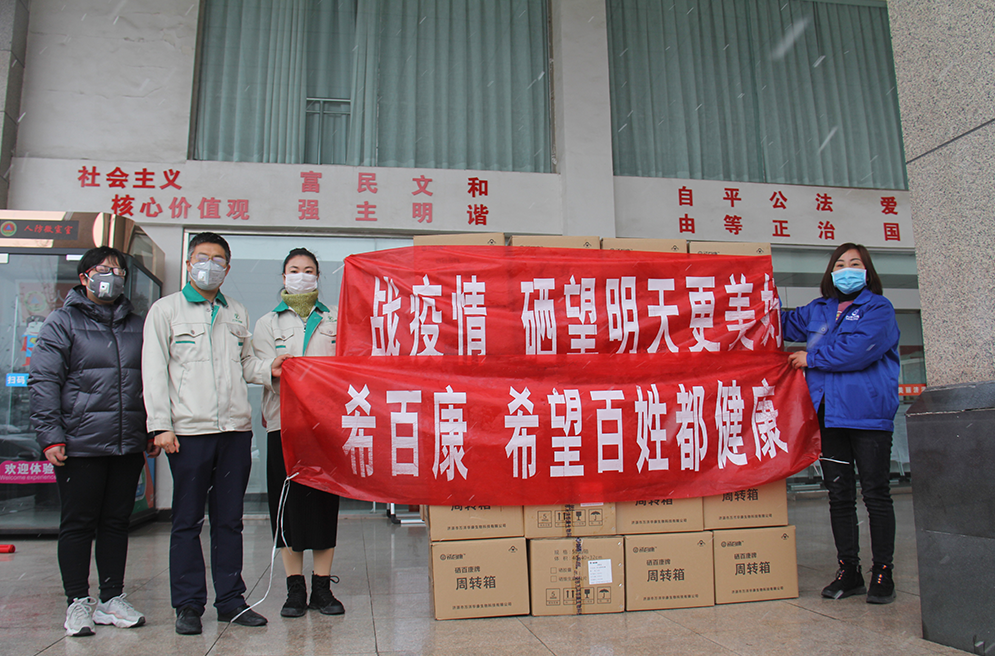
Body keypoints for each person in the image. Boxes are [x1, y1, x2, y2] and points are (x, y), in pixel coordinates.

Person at [143, 232, 288, 635]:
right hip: (188, 432)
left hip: (235, 432)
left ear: (227, 267)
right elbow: (153, 371)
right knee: (187, 520)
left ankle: (230, 601)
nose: (210, 265)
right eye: (202, 258)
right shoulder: (166, 310)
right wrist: (160, 426)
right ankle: (188, 605)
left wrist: (270, 369)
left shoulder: (235, 311)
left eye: (218, 259)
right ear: (189, 264)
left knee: (230, 520)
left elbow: (246, 364)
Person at [29, 246, 155, 636]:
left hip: (127, 442)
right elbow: (44, 380)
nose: (111, 277)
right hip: (80, 442)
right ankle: (77, 602)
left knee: (116, 522)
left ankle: (111, 599)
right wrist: (50, 435)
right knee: (79, 523)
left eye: (118, 271)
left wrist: (152, 428)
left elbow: (153, 380)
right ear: (84, 277)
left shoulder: (138, 324)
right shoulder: (62, 322)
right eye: (103, 270)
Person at [781, 242, 900, 605]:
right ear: (831, 272)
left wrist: (811, 357)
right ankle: (849, 571)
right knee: (839, 495)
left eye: (854, 263)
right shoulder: (819, 309)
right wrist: (751, 290)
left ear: (867, 271)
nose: (846, 270)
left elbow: (857, 351)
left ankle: (883, 572)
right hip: (829, 415)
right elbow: (778, 322)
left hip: (868, 416)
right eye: (840, 264)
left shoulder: (878, 308)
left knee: (876, 493)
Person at [253, 248, 345, 618]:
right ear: (283, 277)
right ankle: (295, 588)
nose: (301, 276)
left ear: (318, 276)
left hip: (326, 425)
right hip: (284, 423)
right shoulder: (267, 323)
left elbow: (348, 367)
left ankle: (322, 587)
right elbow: (257, 367)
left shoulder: (337, 318)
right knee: (286, 505)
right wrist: (274, 369)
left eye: (308, 270)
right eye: (294, 270)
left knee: (324, 503)